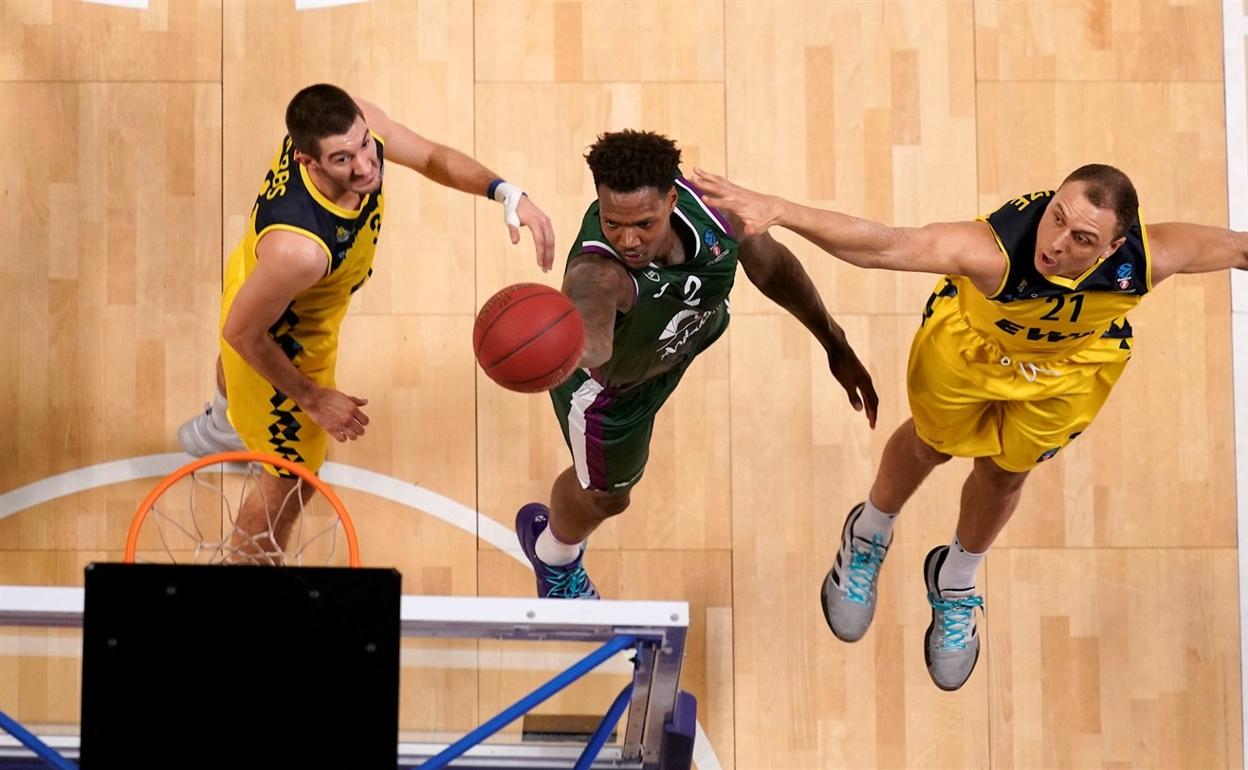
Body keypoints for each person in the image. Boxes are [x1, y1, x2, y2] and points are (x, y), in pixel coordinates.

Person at [691, 163, 1248, 690]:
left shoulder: (1150, 258)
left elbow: (1239, 247)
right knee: (931, 446)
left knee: (1008, 474)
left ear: (1113, 247)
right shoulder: (995, 254)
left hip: (1069, 369)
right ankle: (868, 533)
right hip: (971, 353)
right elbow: (885, 245)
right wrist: (782, 209)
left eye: (1081, 239)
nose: (1056, 243)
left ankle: (954, 580)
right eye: (1056, 216)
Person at [177, 83, 555, 561]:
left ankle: (219, 428)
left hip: (258, 280)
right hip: (282, 340)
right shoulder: (301, 250)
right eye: (341, 160)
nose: (364, 164)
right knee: (289, 484)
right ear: (307, 162)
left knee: (247, 326)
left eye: (362, 145)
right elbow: (242, 334)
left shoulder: (360, 129)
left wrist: (506, 193)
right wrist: (312, 398)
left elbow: (432, 156)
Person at [515, 130, 877, 599]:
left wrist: (837, 344)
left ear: (672, 197)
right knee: (607, 496)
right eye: (611, 223)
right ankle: (553, 556)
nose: (627, 240)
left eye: (644, 224)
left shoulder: (716, 210)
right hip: (613, 394)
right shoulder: (598, 273)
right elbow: (594, 337)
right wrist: (559, 348)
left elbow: (774, 270)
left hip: (677, 338)